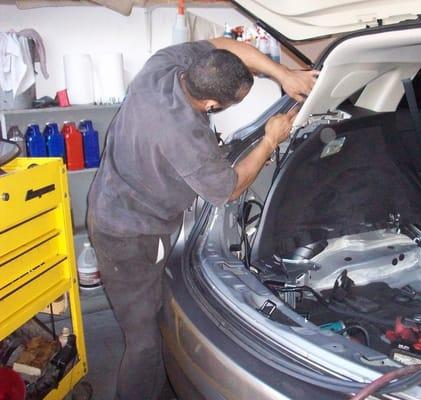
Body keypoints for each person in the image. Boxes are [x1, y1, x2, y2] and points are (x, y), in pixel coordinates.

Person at [87, 37, 317, 400]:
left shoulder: (161, 68)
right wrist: (270, 141)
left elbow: (224, 43)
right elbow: (232, 187)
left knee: (158, 315)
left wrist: (283, 74)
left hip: (121, 204)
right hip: (128, 235)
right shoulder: (184, 137)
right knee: (143, 338)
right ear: (211, 104)